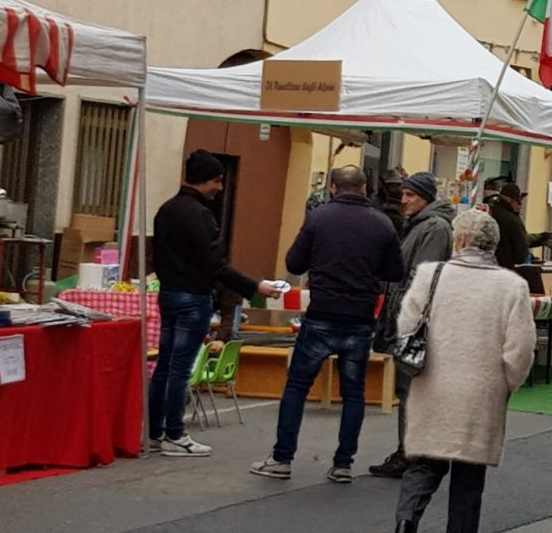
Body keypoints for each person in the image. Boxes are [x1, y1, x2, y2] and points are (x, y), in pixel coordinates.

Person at [251, 165, 404, 483]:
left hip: (322, 313)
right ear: (364, 187)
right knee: (354, 393)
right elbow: (395, 272)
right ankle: (343, 464)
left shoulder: (318, 218)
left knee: (297, 386)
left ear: (333, 187)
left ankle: (282, 458)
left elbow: (294, 263)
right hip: (360, 317)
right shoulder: (382, 223)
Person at [392, 209, 536, 533]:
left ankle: (406, 520)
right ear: (493, 244)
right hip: (481, 391)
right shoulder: (511, 286)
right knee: (469, 477)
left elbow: (407, 326)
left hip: (433, 386)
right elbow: (521, 349)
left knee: (423, 463)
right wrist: (506, 383)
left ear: (459, 240)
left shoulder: (431, 275)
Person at [150, 150, 278, 457]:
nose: (219, 188)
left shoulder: (166, 210)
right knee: (180, 368)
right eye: (217, 181)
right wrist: (255, 287)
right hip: (193, 296)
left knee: (164, 365)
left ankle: (154, 431)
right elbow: (215, 265)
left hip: (169, 294)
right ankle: (175, 433)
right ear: (205, 180)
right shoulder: (200, 215)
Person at [370, 171, 457, 479]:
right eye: (403, 194)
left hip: (416, 321)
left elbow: (423, 276)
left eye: (411, 195)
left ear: (426, 198)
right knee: (409, 386)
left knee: (411, 387)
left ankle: (412, 454)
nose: (404, 200)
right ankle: (411, 450)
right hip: (410, 317)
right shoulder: (421, 224)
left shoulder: (434, 227)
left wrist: (407, 315)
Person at [487, 181, 552, 269]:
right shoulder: (512, 220)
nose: (520, 205)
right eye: (518, 201)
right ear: (509, 200)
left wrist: (541, 238)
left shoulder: (489, 212)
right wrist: (541, 238)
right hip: (505, 268)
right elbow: (520, 254)